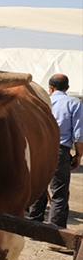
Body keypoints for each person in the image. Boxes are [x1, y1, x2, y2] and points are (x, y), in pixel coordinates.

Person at [28, 74, 83, 228]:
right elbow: (79, 135)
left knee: (39, 186)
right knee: (59, 191)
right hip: (59, 150)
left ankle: (33, 224)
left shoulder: (41, 102)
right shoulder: (75, 103)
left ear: (50, 88)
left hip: (38, 148)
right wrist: (78, 155)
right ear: (67, 88)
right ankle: (54, 228)